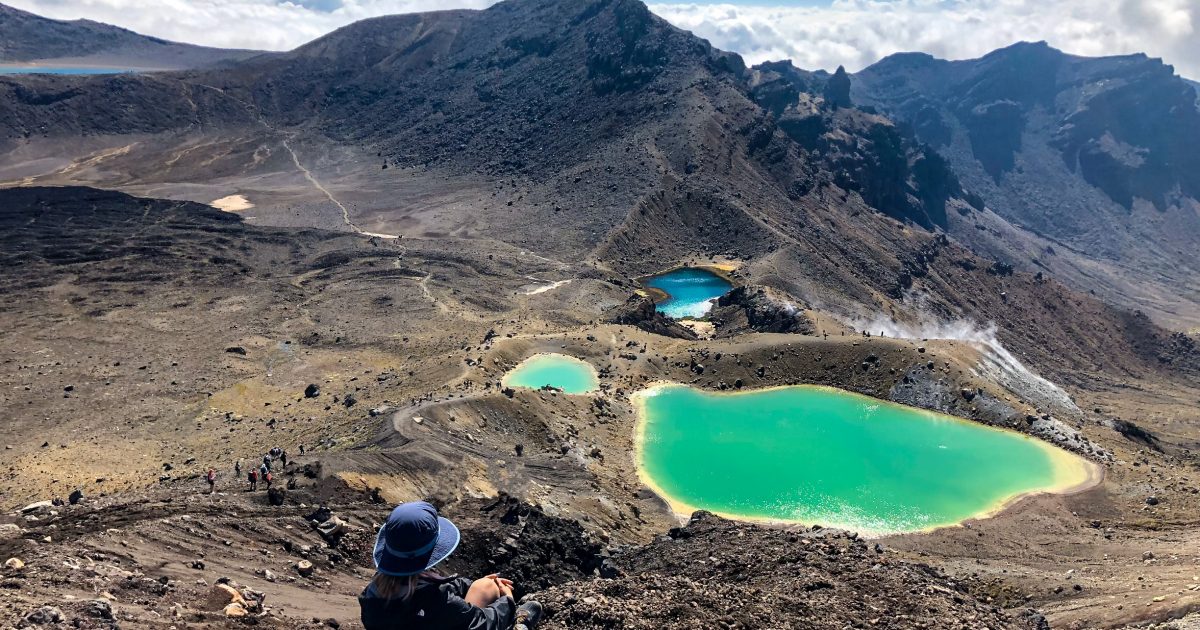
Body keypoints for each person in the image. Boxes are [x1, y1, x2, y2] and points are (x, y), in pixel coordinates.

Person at [359, 501, 542, 630]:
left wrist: (471, 584)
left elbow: (437, 589)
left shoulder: (372, 595)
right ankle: (519, 626)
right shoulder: (437, 604)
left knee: (482, 585)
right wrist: (507, 601)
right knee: (488, 591)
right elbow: (483, 624)